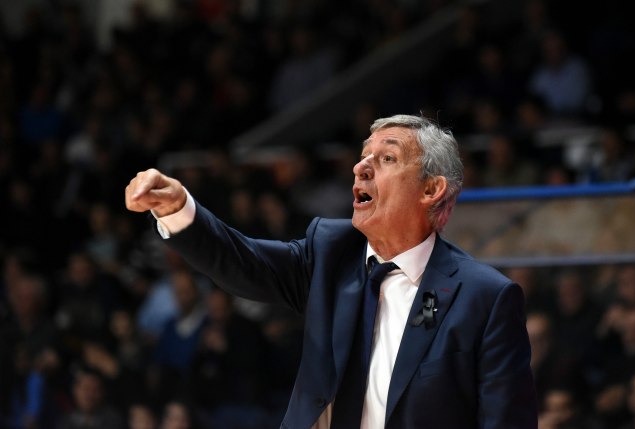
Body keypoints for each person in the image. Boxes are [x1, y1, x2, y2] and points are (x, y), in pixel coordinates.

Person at [125, 114, 537, 428]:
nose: (361, 167)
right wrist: (178, 209)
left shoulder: (485, 297)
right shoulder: (330, 252)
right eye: (363, 156)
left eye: (387, 158)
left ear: (431, 189)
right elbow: (242, 262)